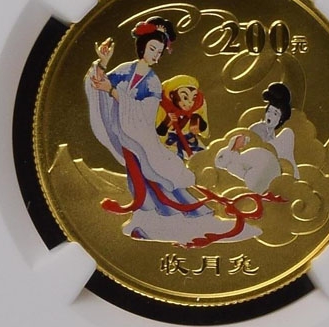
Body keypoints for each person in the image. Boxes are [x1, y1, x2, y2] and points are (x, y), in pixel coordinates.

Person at [85, 18, 259, 244]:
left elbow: (145, 113)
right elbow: (99, 84)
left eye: (159, 52)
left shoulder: (153, 82)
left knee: (150, 175)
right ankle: (149, 219)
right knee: (138, 176)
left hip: (140, 138)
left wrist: (114, 92)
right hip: (123, 133)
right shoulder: (125, 70)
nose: (156, 55)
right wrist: (102, 62)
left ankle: (174, 215)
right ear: (142, 47)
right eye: (152, 49)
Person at [249, 81, 300, 180]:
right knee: (287, 134)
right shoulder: (257, 129)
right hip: (257, 166)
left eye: (275, 113)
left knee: (288, 133)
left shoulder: (272, 135)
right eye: (269, 111)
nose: (270, 115)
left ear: (281, 119)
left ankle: (293, 178)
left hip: (269, 168)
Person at [156, 74, 209, 158]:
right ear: (172, 95)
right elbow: (155, 134)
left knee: (204, 159)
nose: (190, 103)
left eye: (193, 98)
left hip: (191, 143)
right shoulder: (160, 105)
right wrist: (166, 123)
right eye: (185, 98)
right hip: (167, 145)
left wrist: (199, 122)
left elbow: (205, 132)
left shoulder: (198, 104)